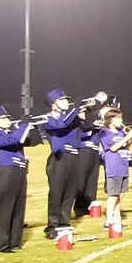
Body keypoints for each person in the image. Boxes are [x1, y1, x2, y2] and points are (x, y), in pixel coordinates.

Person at [0, 106, 33, 253]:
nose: (7, 120)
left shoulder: (11, 133)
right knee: (4, 209)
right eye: (2, 118)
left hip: (19, 171)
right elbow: (10, 141)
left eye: (7, 118)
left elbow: (30, 141)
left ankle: (15, 242)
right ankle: (2, 245)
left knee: (19, 207)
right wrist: (23, 125)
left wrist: (28, 127)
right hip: (5, 172)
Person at [40, 89, 87, 239]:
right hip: (58, 158)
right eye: (63, 100)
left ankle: (64, 222)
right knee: (57, 193)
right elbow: (60, 125)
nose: (67, 102)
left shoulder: (71, 118)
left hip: (73, 155)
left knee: (70, 192)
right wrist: (75, 110)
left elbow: (83, 132)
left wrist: (84, 118)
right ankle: (52, 226)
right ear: (53, 105)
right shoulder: (47, 118)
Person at [99, 109, 132, 228]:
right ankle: (108, 220)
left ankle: (117, 217)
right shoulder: (105, 133)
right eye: (118, 118)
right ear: (111, 120)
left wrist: (130, 141)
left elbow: (124, 148)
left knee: (121, 194)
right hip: (113, 167)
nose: (121, 121)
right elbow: (113, 148)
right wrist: (127, 136)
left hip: (123, 165)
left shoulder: (120, 133)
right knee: (113, 195)